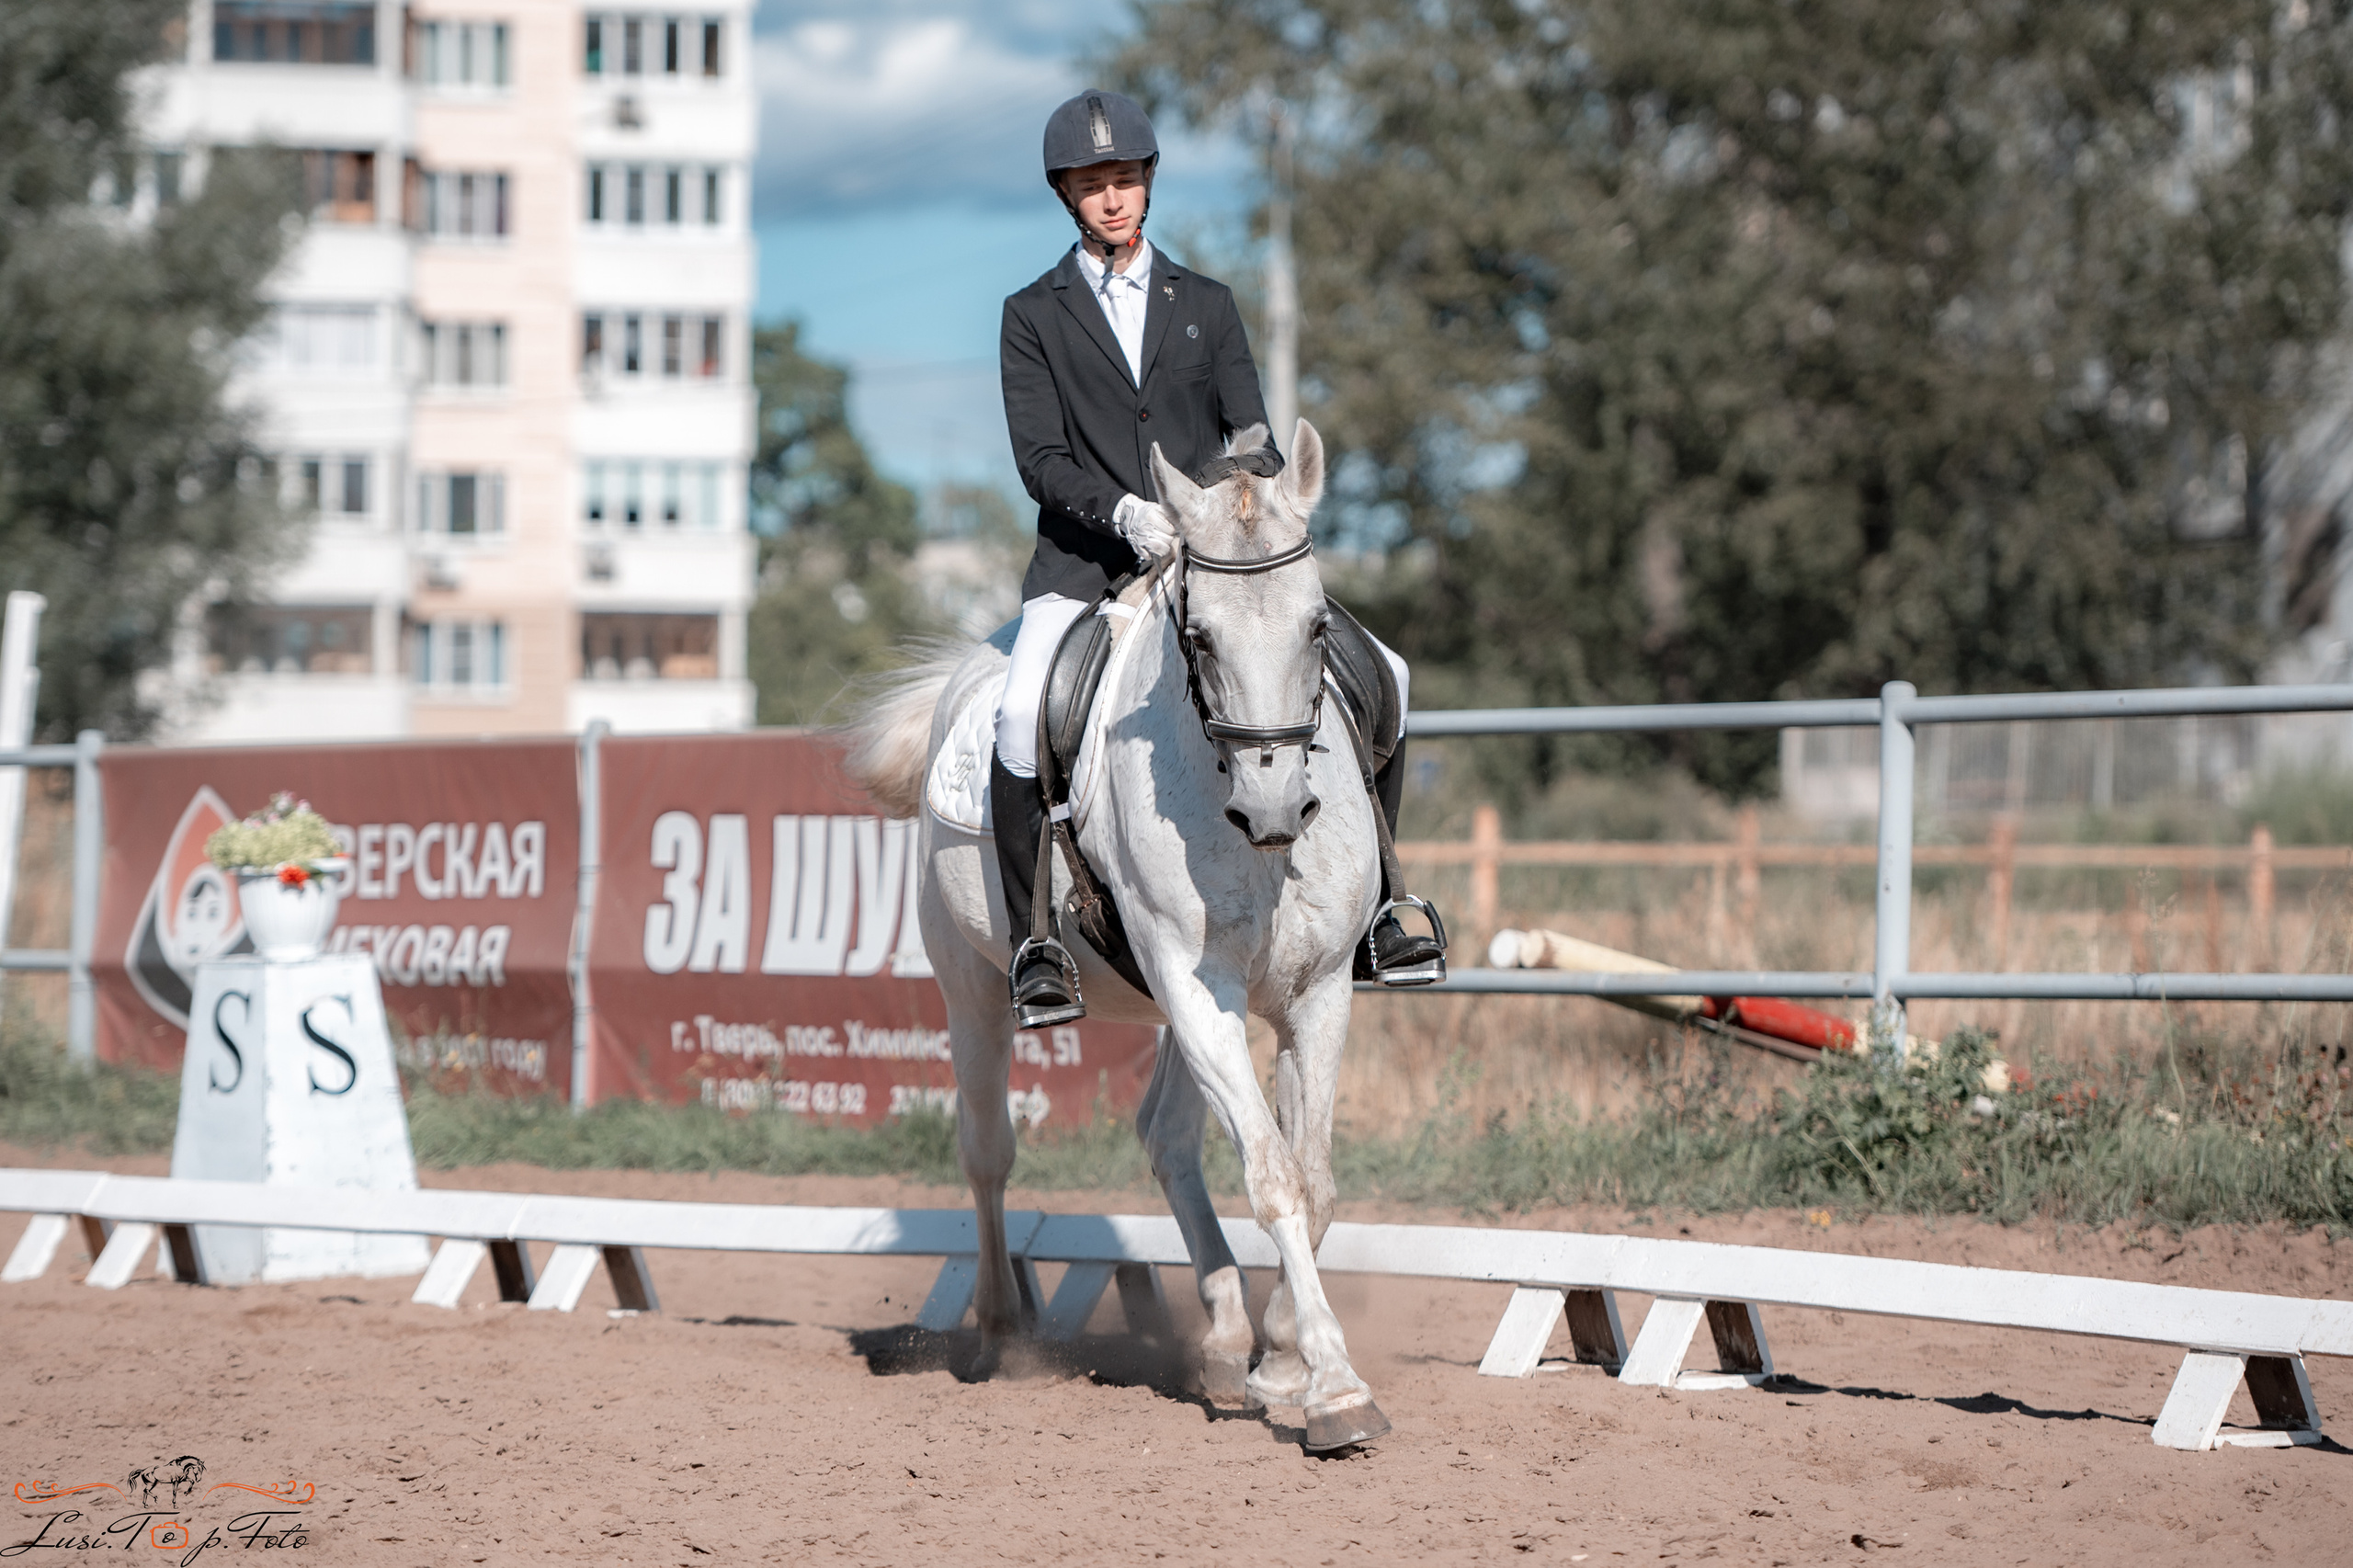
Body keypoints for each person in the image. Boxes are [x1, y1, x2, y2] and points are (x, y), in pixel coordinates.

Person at [993, 88, 1444, 1028]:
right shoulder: (1031, 314)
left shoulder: (1204, 303)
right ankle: (1034, 939)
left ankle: (1381, 907)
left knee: (1387, 672)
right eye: (1091, 185)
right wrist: (1123, 511)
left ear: (1146, 184)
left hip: (1220, 563)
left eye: (1123, 180)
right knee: (1016, 711)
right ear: (1066, 197)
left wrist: (1242, 495)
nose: (1111, 199)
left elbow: (1251, 429)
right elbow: (1039, 458)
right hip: (1088, 565)